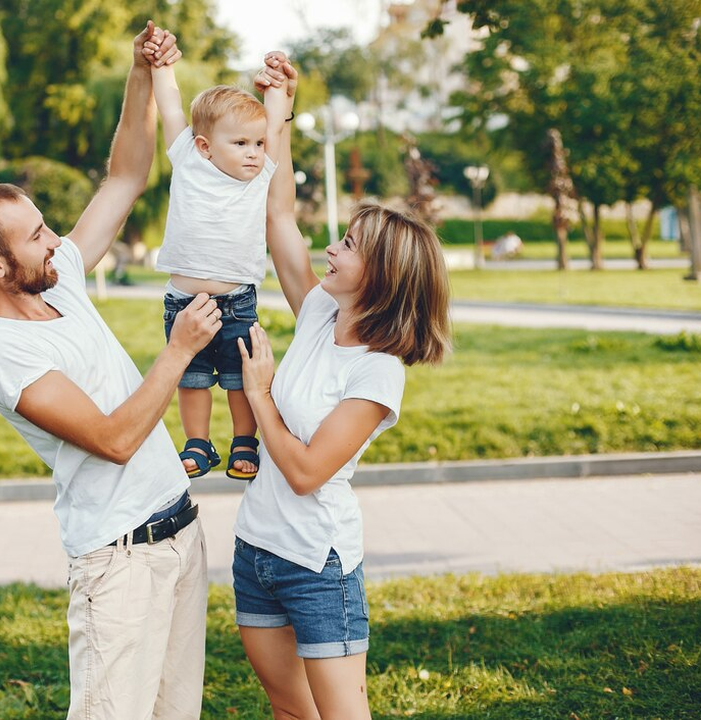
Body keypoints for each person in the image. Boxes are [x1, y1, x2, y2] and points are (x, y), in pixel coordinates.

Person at [0, 24, 218, 720]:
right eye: (35, 235)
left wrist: (139, 74)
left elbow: (124, 174)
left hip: (180, 539)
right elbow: (114, 438)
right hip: (118, 567)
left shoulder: (57, 280)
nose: (53, 239)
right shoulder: (4, 351)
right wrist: (178, 351)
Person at [232, 54, 453, 719]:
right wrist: (282, 109)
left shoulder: (377, 373)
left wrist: (261, 393)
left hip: (317, 564)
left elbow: (304, 472)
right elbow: (278, 217)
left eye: (349, 245)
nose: (331, 248)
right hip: (257, 549)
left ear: (380, 276)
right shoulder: (321, 312)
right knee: (289, 710)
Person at [149, 50, 292, 480]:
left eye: (258, 144)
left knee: (237, 377)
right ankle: (198, 442)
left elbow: (274, 118)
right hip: (183, 303)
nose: (254, 153)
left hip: (235, 303)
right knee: (190, 377)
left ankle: (244, 441)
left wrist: (279, 87)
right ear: (205, 147)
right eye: (241, 143)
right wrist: (162, 66)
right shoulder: (188, 160)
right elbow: (171, 106)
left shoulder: (261, 174)